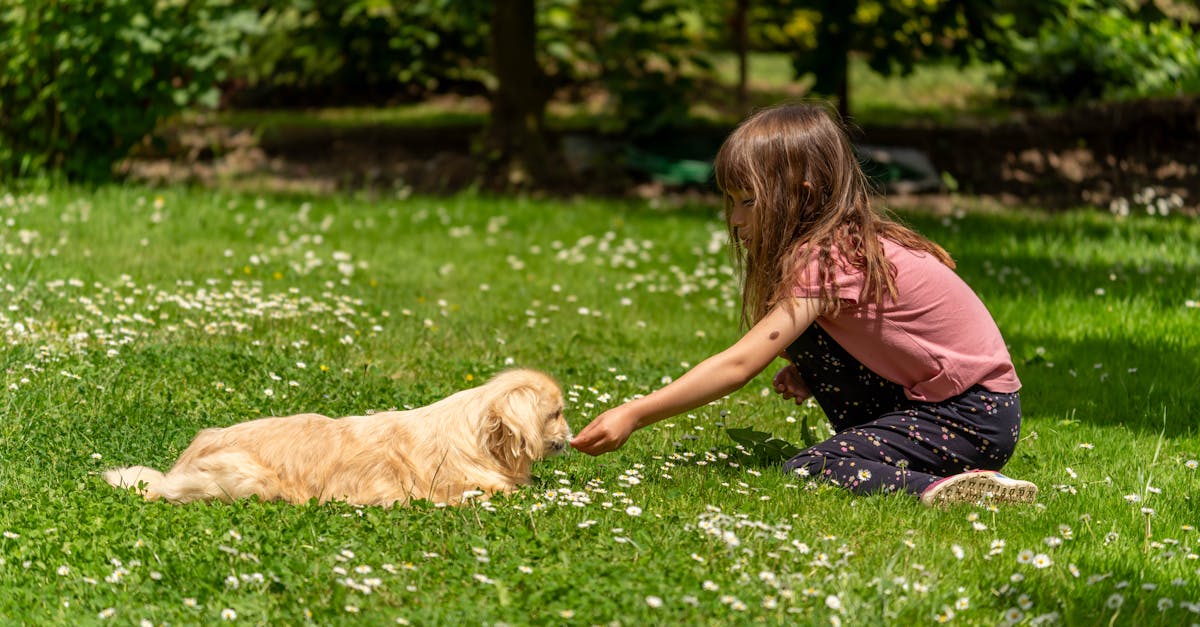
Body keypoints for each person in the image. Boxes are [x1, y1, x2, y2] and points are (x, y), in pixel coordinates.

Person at [570, 102, 1038, 507]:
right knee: (804, 337)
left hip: (970, 417)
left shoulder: (827, 257)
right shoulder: (842, 243)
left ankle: (941, 489)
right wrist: (818, 369)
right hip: (972, 410)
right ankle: (927, 468)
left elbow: (738, 365)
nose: (733, 220)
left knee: (813, 466)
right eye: (729, 202)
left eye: (747, 201)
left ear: (802, 196)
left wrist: (635, 412)